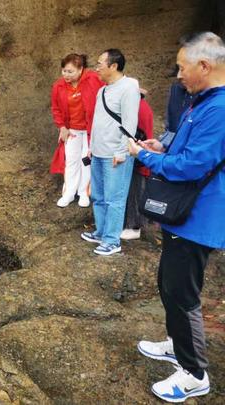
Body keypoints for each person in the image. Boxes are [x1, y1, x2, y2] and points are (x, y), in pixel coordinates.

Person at [128, 32, 225, 403]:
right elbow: (186, 148)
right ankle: (175, 343)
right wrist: (160, 146)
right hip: (186, 214)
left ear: (204, 66)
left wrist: (144, 156)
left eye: (183, 67)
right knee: (169, 284)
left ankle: (194, 373)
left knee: (182, 293)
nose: (179, 74)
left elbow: (192, 166)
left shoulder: (219, 107)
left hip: (199, 215)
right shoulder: (204, 101)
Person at [79, 49, 140, 255]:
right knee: (98, 195)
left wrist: (122, 152)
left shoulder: (129, 87)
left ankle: (112, 240)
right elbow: (98, 122)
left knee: (115, 198)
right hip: (98, 151)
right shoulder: (103, 90)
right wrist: (91, 147)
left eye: (100, 64)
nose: (96, 68)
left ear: (113, 66)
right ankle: (101, 232)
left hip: (116, 153)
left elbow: (130, 123)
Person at [50, 53, 105, 208]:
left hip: (90, 129)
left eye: (70, 71)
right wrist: (62, 126)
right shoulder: (59, 86)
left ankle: (84, 192)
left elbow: (109, 87)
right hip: (72, 129)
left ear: (81, 69)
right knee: (71, 160)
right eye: (64, 71)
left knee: (86, 160)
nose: (66, 75)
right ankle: (69, 193)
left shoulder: (92, 79)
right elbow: (55, 108)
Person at [120, 94, 154, 240]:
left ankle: (134, 226)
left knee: (136, 190)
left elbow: (141, 134)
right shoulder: (137, 106)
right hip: (136, 155)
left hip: (139, 157)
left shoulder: (139, 108)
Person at [159, 79, 195, 148]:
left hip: (186, 138)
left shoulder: (202, 92)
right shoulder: (176, 87)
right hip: (171, 133)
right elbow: (170, 109)